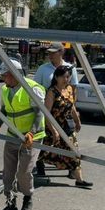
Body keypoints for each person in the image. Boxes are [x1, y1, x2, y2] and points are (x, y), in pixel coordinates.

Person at [0, 60, 48, 210]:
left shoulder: (32, 88)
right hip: (13, 136)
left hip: (31, 138)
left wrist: (32, 133)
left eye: (5, 75)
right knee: (8, 173)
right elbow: (4, 110)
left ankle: (28, 200)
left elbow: (39, 113)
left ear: (15, 75)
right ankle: (10, 204)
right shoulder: (5, 90)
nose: (3, 79)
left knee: (24, 172)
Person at [39, 65, 93, 188]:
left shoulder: (68, 89)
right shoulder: (52, 92)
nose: (66, 79)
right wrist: (53, 131)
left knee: (74, 152)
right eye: (63, 77)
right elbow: (46, 114)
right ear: (56, 77)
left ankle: (79, 179)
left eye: (68, 77)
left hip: (67, 128)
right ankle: (26, 171)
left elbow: (72, 106)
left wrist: (77, 121)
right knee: (42, 153)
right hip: (53, 128)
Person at [33, 43, 78, 177]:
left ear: (61, 52)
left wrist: (74, 110)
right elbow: (36, 88)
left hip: (64, 110)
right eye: (49, 53)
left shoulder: (70, 68)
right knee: (45, 139)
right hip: (47, 108)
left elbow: (73, 90)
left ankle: (72, 168)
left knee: (69, 140)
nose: (50, 55)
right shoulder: (43, 69)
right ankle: (40, 168)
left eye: (53, 52)